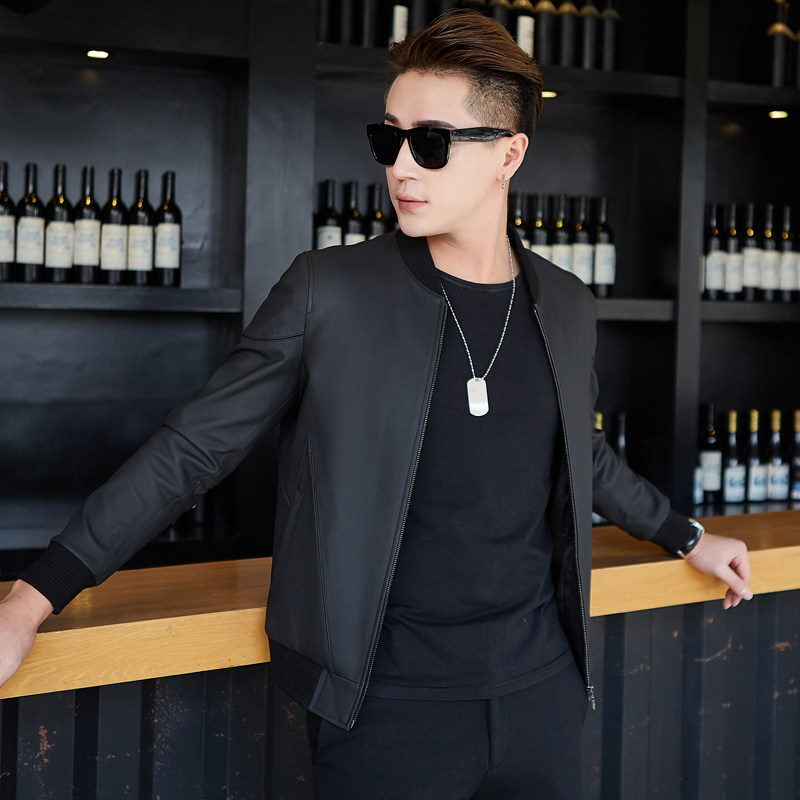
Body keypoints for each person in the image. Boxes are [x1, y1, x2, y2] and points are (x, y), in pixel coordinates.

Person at [0, 10, 751, 800]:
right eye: (388, 139)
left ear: (509, 153)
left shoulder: (565, 303)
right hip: (385, 709)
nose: (401, 167)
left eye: (431, 143)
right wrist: (30, 598)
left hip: (545, 694)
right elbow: (191, 451)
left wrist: (687, 535)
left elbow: (579, 450)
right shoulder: (329, 291)